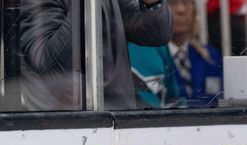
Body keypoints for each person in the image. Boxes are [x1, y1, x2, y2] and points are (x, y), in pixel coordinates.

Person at [18, 0, 172, 111]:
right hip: (62, 126)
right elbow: (50, 62)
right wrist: (85, 6)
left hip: (119, 120)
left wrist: (152, 3)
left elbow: (157, 34)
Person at [169, 0, 224, 107]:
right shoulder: (148, 59)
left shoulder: (211, 56)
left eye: (187, 2)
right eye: (171, 2)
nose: (181, 9)